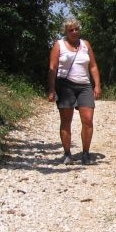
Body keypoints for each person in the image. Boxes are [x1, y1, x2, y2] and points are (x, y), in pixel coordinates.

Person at [47, 18, 102, 166]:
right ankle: (67, 153)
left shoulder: (85, 45)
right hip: (65, 86)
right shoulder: (59, 45)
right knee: (66, 120)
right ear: (66, 31)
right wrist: (52, 89)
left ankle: (85, 153)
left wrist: (97, 85)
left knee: (88, 119)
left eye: (76, 29)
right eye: (71, 30)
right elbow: (52, 68)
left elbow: (93, 66)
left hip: (84, 85)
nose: (74, 32)